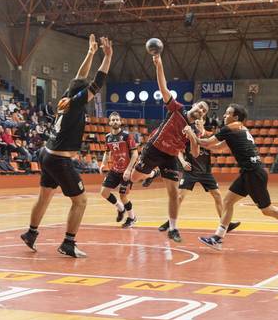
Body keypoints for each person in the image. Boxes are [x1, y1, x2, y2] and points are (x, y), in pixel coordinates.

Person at [20, 34, 112, 258]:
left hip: (46, 153)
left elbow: (80, 76)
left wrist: (90, 53)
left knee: (44, 196)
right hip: (60, 159)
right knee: (80, 201)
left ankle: (31, 233)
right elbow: (97, 82)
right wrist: (107, 56)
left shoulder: (67, 95)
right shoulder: (77, 101)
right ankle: (68, 243)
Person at [186, 103, 278, 250]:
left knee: (267, 210)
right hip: (249, 172)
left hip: (253, 173)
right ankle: (218, 238)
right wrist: (201, 134)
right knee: (228, 201)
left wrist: (191, 133)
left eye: (228, 113)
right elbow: (218, 147)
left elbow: (206, 143)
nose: (224, 115)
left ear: (236, 117)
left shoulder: (230, 128)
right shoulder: (239, 129)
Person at [131, 54, 209, 242]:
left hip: (170, 157)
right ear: (194, 106)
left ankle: (173, 228)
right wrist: (159, 64)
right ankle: (151, 173)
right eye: (199, 107)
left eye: (204, 111)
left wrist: (191, 135)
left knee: (174, 193)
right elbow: (163, 87)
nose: (200, 111)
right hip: (154, 149)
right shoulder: (177, 108)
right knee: (134, 178)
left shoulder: (196, 131)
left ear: (203, 116)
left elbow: (196, 153)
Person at [157, 118, 241, 234]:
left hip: (205, 172)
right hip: (190, 171)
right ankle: (169, 222)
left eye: (199, 120)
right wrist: (183, 162)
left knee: (217, 195)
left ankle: (225, 223)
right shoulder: (188, 134)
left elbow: (218, 148)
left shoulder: (210, 135)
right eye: (195, 120)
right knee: (179, 197)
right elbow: (180, 151)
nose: (197, 122)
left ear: (203, 121)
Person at [100, 112, 139, 228]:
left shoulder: (127, 136)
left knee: (123, 195)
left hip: (126, 171)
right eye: (113, 120)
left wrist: (128, 170)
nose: (115, 121)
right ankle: (120, 208)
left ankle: (132, 218)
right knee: (104, 192)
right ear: (109, 122)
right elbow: (107, 153)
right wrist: (103, 164)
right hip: (115, 169)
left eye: (117, 119)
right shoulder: (108, 137)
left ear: (120, 121)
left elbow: (135, 154)